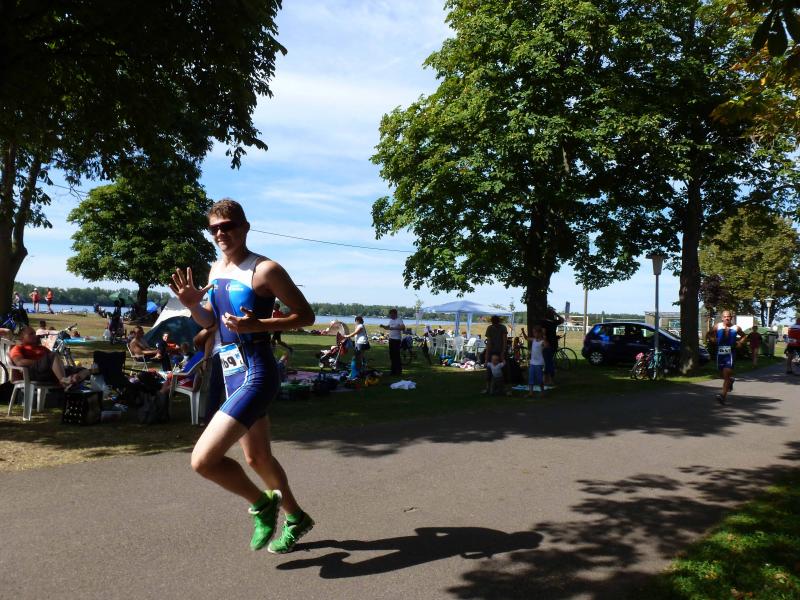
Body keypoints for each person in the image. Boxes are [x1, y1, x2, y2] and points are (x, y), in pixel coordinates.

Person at [169, 197, 315, 554]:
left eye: (227, 226)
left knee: (203, 460)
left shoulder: (265, 270)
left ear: (244, 227)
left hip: (257, 372)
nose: (221, 234)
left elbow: (306, 315)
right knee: (257, 458)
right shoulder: (215, 270)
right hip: (231, 372)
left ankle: (262, 504)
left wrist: (258, 324)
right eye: (214, 229)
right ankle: (296, 518)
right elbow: (210, 321)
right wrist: (192, 305)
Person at [8, 326, 90, 388]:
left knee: (83, 370)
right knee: (53, 355)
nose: (35, 335)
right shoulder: (18, 348)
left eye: (34, 333)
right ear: (22, 337)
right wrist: (42, 362)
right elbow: (19, 362)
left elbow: (55, 362)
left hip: (49, 373)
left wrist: (53, 364)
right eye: (31, 334)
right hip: (34, 373)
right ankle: (64, 381)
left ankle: (72, 381)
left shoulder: (42, 348)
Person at [714, 310, 745, 405]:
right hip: (720, 354)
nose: (727, 318)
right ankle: (730, 381)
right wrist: (712, 339)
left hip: (730, 354)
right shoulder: (717, 326)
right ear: (722, 318)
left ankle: (723, 396)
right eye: (725, 316)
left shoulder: (736, 328)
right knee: (722, 375)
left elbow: (744, 336)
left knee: (726, 374)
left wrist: (740, 342)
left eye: (728, 316)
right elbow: (710, 334)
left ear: (731, 318)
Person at [535, 307, 564, 389]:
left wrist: (545, 341)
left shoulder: (544, 322)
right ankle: (548, 379)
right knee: (549, 362)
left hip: (548, 344)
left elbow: (543, 333)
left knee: (548, 362)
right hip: (552, 344)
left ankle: (548, 380)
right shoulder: (553, 322)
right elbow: (562, 320)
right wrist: (556, 314)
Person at [483, 315, 507, 392]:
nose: (494, 324)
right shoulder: (489, 328)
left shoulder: (503, 328)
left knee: (504, 369)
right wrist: (487, 356)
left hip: (500, 350)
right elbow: (489, 342)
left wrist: (503, 352)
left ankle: (504, 388)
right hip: (492, 351)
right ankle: (488, 387)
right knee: (489, 369)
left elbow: (505, 341)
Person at [380, 308, 405, 376]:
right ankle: (393, 371)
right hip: (391, 339)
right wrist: (383, 326)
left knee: (396, 356)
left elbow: (403, 327)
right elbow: (388, 327)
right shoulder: (391, 320)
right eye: (390, 315)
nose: (390, 316)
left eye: (391, 315)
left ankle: (398, 371)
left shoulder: (399, 320)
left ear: (395, 314)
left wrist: (394, 328)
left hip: (397, 340)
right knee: (392, 356)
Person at [527, 326, 548, 396]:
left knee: (540, 379)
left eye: (535, 333)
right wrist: (523, 331)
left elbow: (546, 345)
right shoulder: (533, 340)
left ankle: (542, 392)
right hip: (532, 363)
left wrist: (544, 336)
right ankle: (531, 393)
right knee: (531, 378)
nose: (534, 334)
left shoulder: (542, 341)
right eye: (533, 333)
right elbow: (526, 338)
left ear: (539, 333)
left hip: (539, 363)